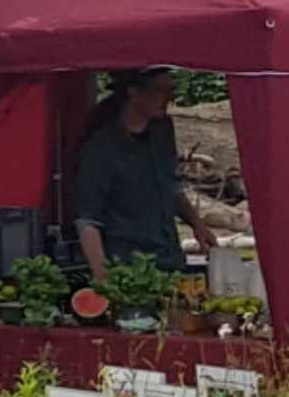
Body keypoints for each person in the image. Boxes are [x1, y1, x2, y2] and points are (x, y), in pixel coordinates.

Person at [73, 67, 209, 276]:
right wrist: (102, 276)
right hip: (128, 266)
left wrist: (197, 224)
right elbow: (88, 220)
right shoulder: (101, 148)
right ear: (134, 93)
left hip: (169, 258)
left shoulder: (162, 130)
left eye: (172, 90)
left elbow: (170, 186)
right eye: (161, 90)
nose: (169, 98)